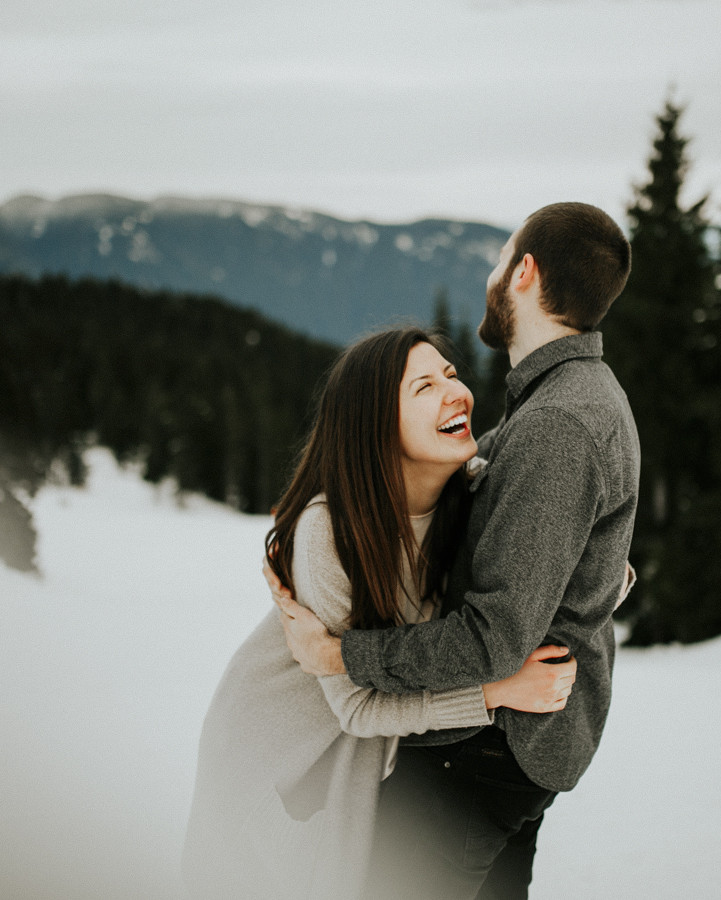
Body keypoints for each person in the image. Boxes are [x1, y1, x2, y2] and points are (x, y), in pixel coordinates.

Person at [271, 201, 638, 899]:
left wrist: (341, 655)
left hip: (482, 751)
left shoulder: (557, 422)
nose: (491, 274)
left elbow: (494, 638)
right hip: (510, 743)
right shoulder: (559, 403)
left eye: (500, 259)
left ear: (523, 273)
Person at [181, 327, 579, 900]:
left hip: (364, 748)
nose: (456, 392)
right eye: (425, 387)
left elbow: (563, 554)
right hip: (279, 750)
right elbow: (358, 707)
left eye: (450, 374)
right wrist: (496, 691)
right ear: (376, 424)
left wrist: (587, 569)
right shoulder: (329, 532)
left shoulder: (472, 493)